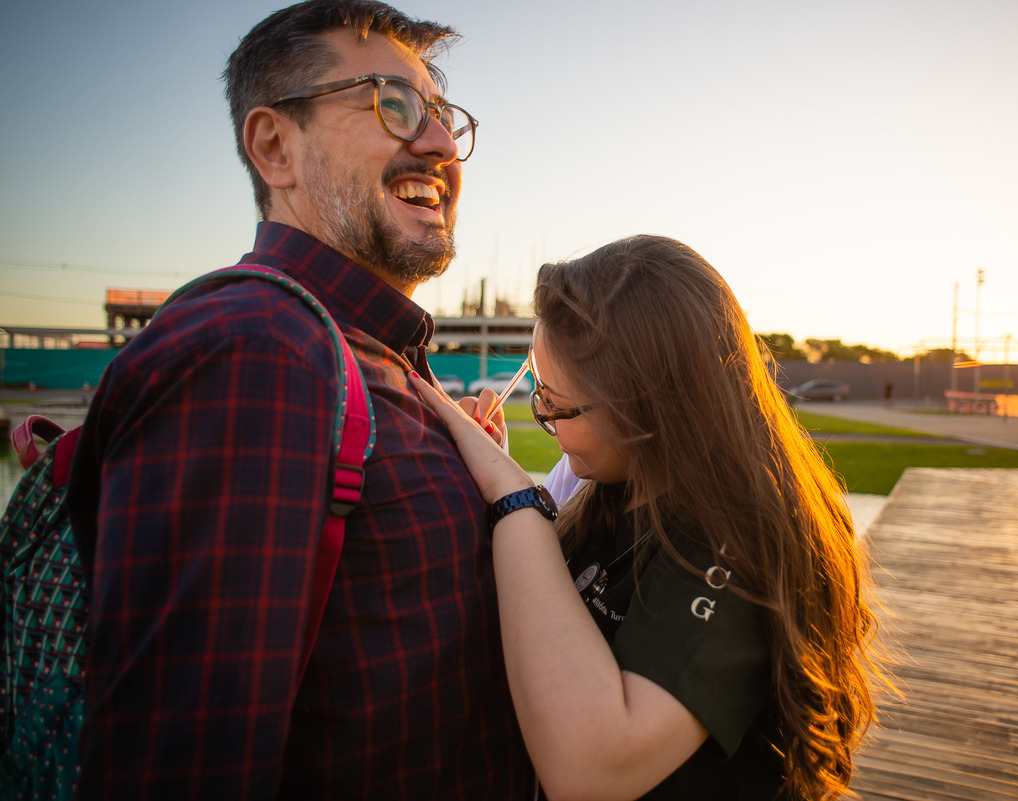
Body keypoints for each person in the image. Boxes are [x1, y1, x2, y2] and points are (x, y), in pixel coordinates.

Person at [66, 1, 534, 797]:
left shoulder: (369, 355)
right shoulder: (256, 350)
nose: (438, 144)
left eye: (445, 117)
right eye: (394, 105)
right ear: (275, 146)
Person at [410, 235, 879, 800]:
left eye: (555, 403)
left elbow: (593, 770)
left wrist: (514, 500)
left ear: (645, 407)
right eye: (536, 394)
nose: (542, 419)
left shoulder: (739, 538)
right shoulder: (621, 484)